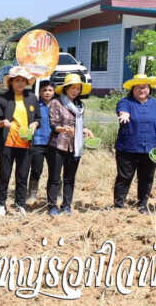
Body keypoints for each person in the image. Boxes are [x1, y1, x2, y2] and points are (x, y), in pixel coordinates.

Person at [113, 74, 156, 214]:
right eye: (137, 87)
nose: (141, 90)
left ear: (149, 88)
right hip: (128, 148)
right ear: (132, 89)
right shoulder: (126, 102)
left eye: (144, 87)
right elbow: (122, 110)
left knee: (146, 177)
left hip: (150, 148)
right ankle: (119, 204)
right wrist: (124, 114)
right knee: (124, 177)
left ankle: (142, 204)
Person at [0, 66, 40, 216]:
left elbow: (38, 118)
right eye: (17, 80)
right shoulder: (2, 99)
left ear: (26, 82)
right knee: (5, 174)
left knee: (22, 175)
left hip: (25, 142)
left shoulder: (32, 98)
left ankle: (20, 204)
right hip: (7, 142)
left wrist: (34, 124)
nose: (20, 83)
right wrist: (2, 123)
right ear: (11, 82)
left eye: (23, 80)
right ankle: (0, 204)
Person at [47, 74, 93, 216]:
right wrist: (63, 128)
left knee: (70, 178)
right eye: (73, 87)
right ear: (66, 88)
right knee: (55, 177)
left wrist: (85, 130)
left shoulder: (80, 106)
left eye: (78, 88)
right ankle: (52, 206)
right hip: (58, 145)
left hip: (75, 146)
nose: (75, 90)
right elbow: (53, 124)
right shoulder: (56, 103)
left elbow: (79, 124)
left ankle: (67, 205)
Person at [27, 81, 55, 204]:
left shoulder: (57, 105)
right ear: (39, 92)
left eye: (49, 90)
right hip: (38, 141)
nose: (47, 92)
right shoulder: (35, 105)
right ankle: (32, 194)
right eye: (44, 90)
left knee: (55, 170)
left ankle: (56, 194)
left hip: (54, 143)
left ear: (54, 92)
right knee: (36, 169)